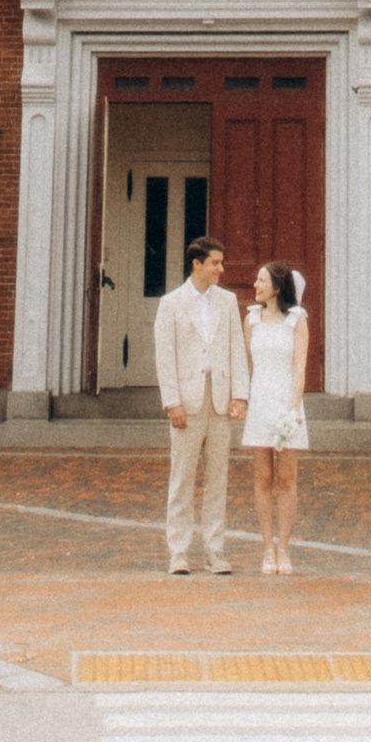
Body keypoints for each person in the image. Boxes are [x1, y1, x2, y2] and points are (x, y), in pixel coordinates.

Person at [152, 233, 248, 574]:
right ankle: (178, 551)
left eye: (221, 263)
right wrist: (172, 403)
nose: (221, 269)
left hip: (219, 399)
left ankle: (214, 549)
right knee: (182, 478)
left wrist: (240, 395)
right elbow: (165, 357)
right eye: (215, 264)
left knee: (217, 478)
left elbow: (237, 348)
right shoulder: (171, 303)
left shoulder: (227, 301)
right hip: (187, 403)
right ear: (197, 264)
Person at [242, 258, 310, 573]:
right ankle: (267, 547)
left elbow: (299, 366)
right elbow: (249, 367)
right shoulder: (251, 320)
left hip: (286, 403)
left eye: (261, 281)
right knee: (262, 479)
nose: (255, 286)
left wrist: (293, 408)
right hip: (260, 402)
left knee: (286, 479)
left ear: (277, 287)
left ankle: (284, 547)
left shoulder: (296, 320)